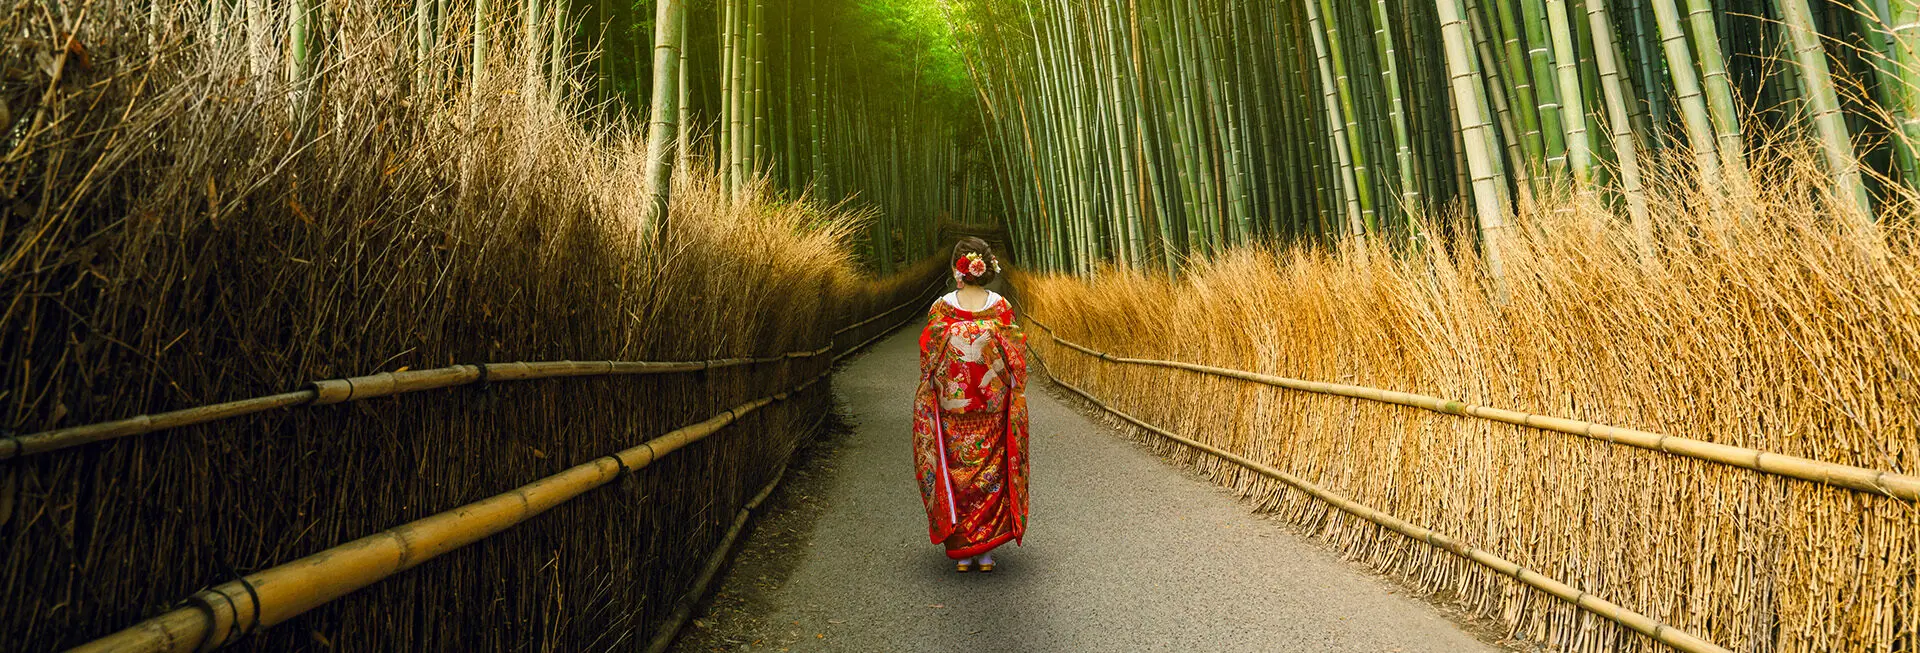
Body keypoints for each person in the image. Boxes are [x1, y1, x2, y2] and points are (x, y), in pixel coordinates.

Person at [913, 237, 1030, 573]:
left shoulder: (942, 308)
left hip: (954, 408)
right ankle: (986, 552)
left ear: (956, 269)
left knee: (956, 472)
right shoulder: (1001, 308)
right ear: (988, 268)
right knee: (990, 473)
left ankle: (963, 550)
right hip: (992, 408)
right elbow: (1014, 358)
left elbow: (929, 358)